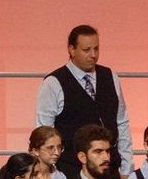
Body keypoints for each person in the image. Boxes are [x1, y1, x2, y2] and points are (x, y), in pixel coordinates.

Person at [35, 24, 134, 169]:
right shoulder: (53, 83)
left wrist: (127, 165)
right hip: (71, 169)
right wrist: (53, 172)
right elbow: (44, 132)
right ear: (71, 49)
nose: (93, 55)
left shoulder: (110, 77)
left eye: (96, 48)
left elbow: (122, 122)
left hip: (109, 167)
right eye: (86, 50)